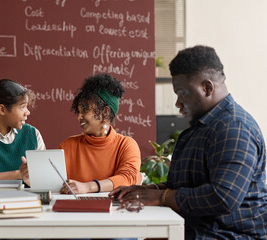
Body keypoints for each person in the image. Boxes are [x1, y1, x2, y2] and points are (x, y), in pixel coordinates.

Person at [109, 45, 267, 239]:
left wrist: (163, 197)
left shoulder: (234, 128)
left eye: (182, 93)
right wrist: (150, 190)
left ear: (207, 87)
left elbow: (223, 198)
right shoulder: (203, 127)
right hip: (195, 230)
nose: (178, 103)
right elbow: (188, 184)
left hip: (227, 235)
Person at [58, 73, 141, 194]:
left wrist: (87, 187)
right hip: (75, 211)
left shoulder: (126, 145)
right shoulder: (67, 146)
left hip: (114, 211)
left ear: (105, 112)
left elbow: (127, 178)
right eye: (79, 111)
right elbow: (53, 182)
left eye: (85, 110)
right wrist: (30, 177)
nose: (79, 117)